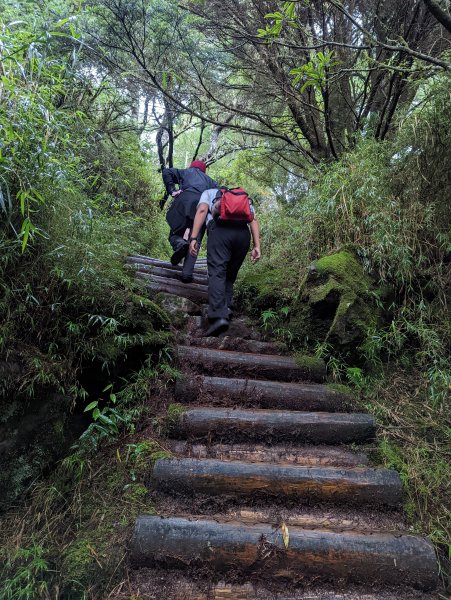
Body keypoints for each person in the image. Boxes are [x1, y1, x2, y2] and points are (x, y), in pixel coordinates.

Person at [189, 187, 261, 337]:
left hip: (220, 231)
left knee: (217, 272)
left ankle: (218, 317)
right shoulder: (242, 197)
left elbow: (202, 210)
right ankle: (226, 308)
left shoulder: (208, 193)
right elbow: (253, 219)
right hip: (243, 235)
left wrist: (194, 238)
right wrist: (257, 246)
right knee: (230, 274)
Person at [162, 160, 218, 282]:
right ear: (204, 170)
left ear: (192, 166)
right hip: (202, 208)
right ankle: (186, 274)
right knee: (195, 240)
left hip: (183, 203)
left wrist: (172, 190)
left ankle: (180, 244)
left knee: (175, 232)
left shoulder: (185, 172)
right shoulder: (211, 182)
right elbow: (217, 198)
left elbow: (166, 171)